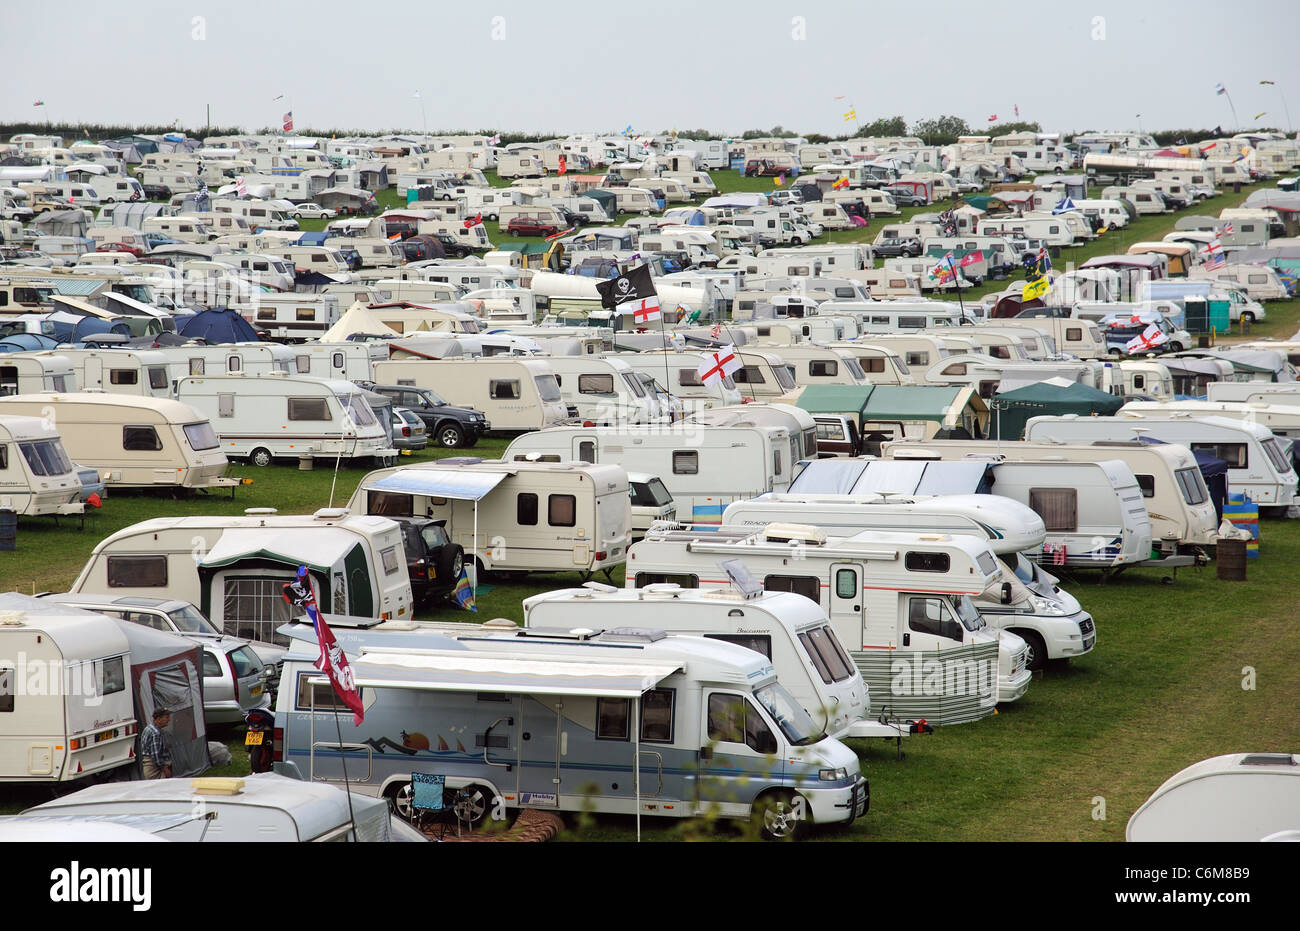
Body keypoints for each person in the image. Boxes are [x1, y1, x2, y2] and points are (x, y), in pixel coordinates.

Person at [140, 707, 173, 779]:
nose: (169, 720)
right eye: (166, 717)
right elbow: (156, 756)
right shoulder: (155, 733)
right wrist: (166, 770)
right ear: (158, 719)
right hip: (154, 770)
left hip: (148, 767)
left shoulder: (148, 728)